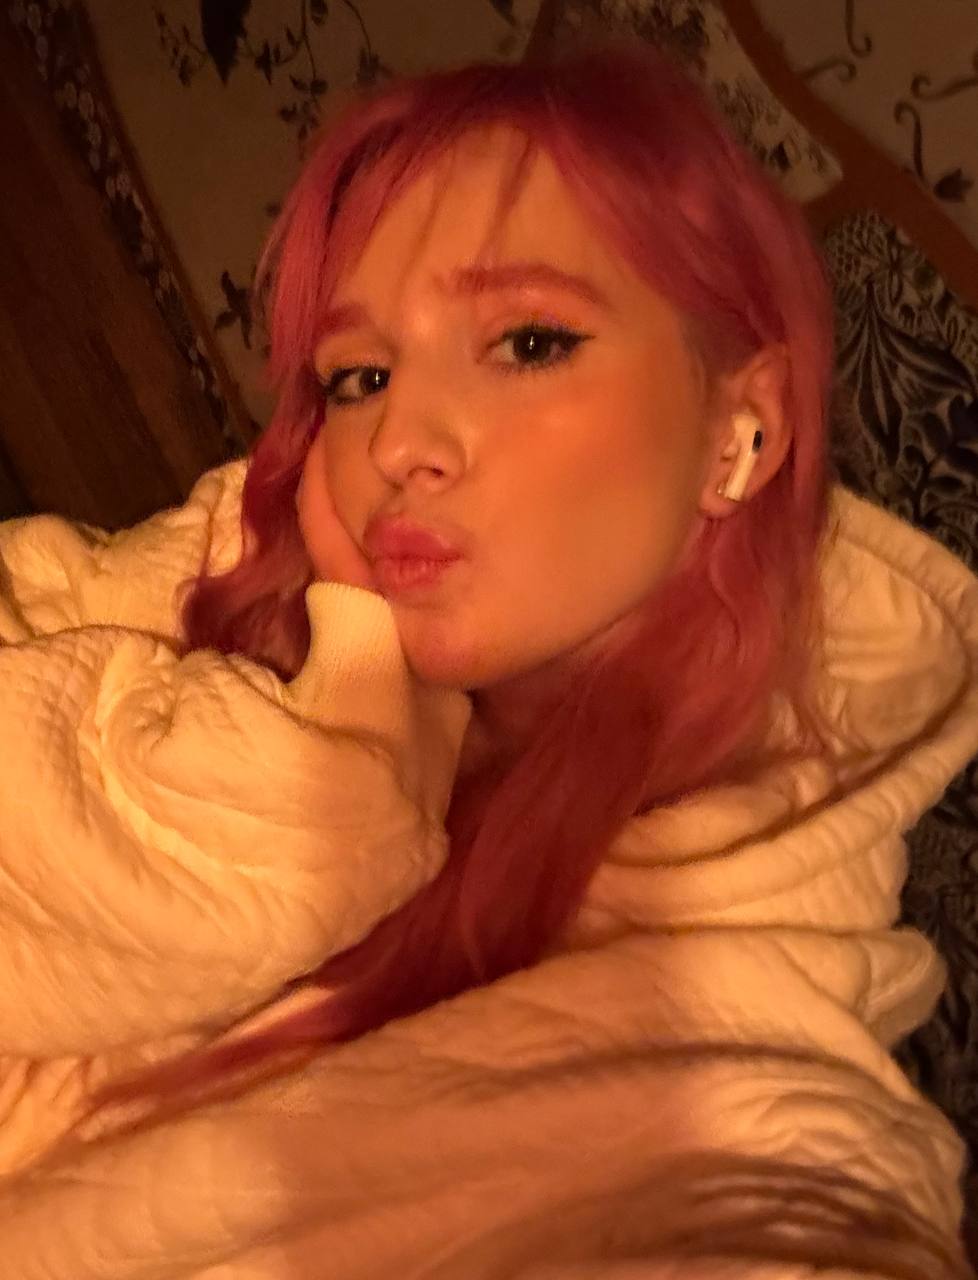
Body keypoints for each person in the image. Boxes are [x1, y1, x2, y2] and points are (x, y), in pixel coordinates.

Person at [0, 40, 976, 1280]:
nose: (396, 439)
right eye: (360, 375)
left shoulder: (759, 1095)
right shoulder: (240, 554)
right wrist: (338, 729)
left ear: (743, 424)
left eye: (528, 342)